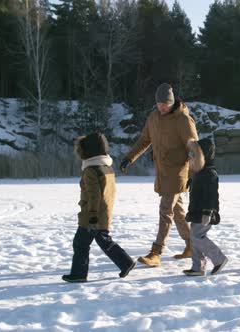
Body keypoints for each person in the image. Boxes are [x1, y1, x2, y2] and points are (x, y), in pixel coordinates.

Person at [120, 83, 199, 267]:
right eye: (158, 103)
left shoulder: (183, 120)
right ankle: (192, 245)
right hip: (162, 172)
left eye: (165, 104)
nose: (161, 107)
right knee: (178, 213)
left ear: (171, 103)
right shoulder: (154, 116)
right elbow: (144, 140)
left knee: (166, 211)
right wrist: (129, 158)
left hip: (178, 173)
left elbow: (194, 149)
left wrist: (194, 174)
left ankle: (156, 252)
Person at [63, 133, 135, 283]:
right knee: (103, 240)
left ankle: (79, 274)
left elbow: (94, 194)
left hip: (92, 215)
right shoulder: (106, 167)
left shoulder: (90, 170)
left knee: (80, 243)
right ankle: (126, 262)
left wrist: (93, 214)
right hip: (104, 212)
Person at [182, 139, 228, 276]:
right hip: (197, 210)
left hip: (205, 212)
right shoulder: (199, 172)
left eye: (194, 154)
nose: (192, 157)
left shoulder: (209, 173)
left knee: (197, 236)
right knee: (194, 236)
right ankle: (198, 267)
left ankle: (219, 259)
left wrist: (208, 212)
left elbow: (211, 195)